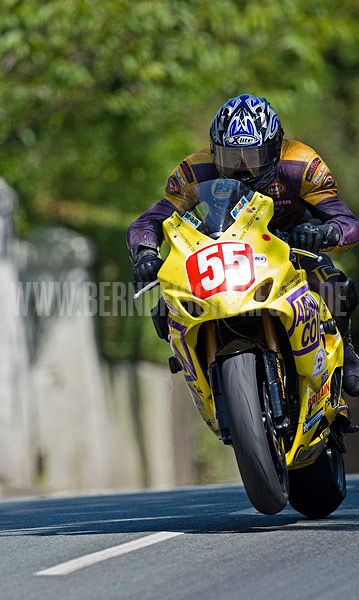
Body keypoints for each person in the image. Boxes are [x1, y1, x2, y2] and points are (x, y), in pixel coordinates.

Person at [127, 93, 359, 397]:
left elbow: (347, 222)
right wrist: (145, 252)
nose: (242, 169)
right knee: (166, 307)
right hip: (224, 249)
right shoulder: (194, 171)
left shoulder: (299, 163)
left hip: (290, 246)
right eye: (229, 157)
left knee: (333, 285)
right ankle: (198, 371)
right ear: (213, 151)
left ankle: (348, 352)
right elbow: (150, 221)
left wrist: (324, 234)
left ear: (275, 149)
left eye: (253, 157)